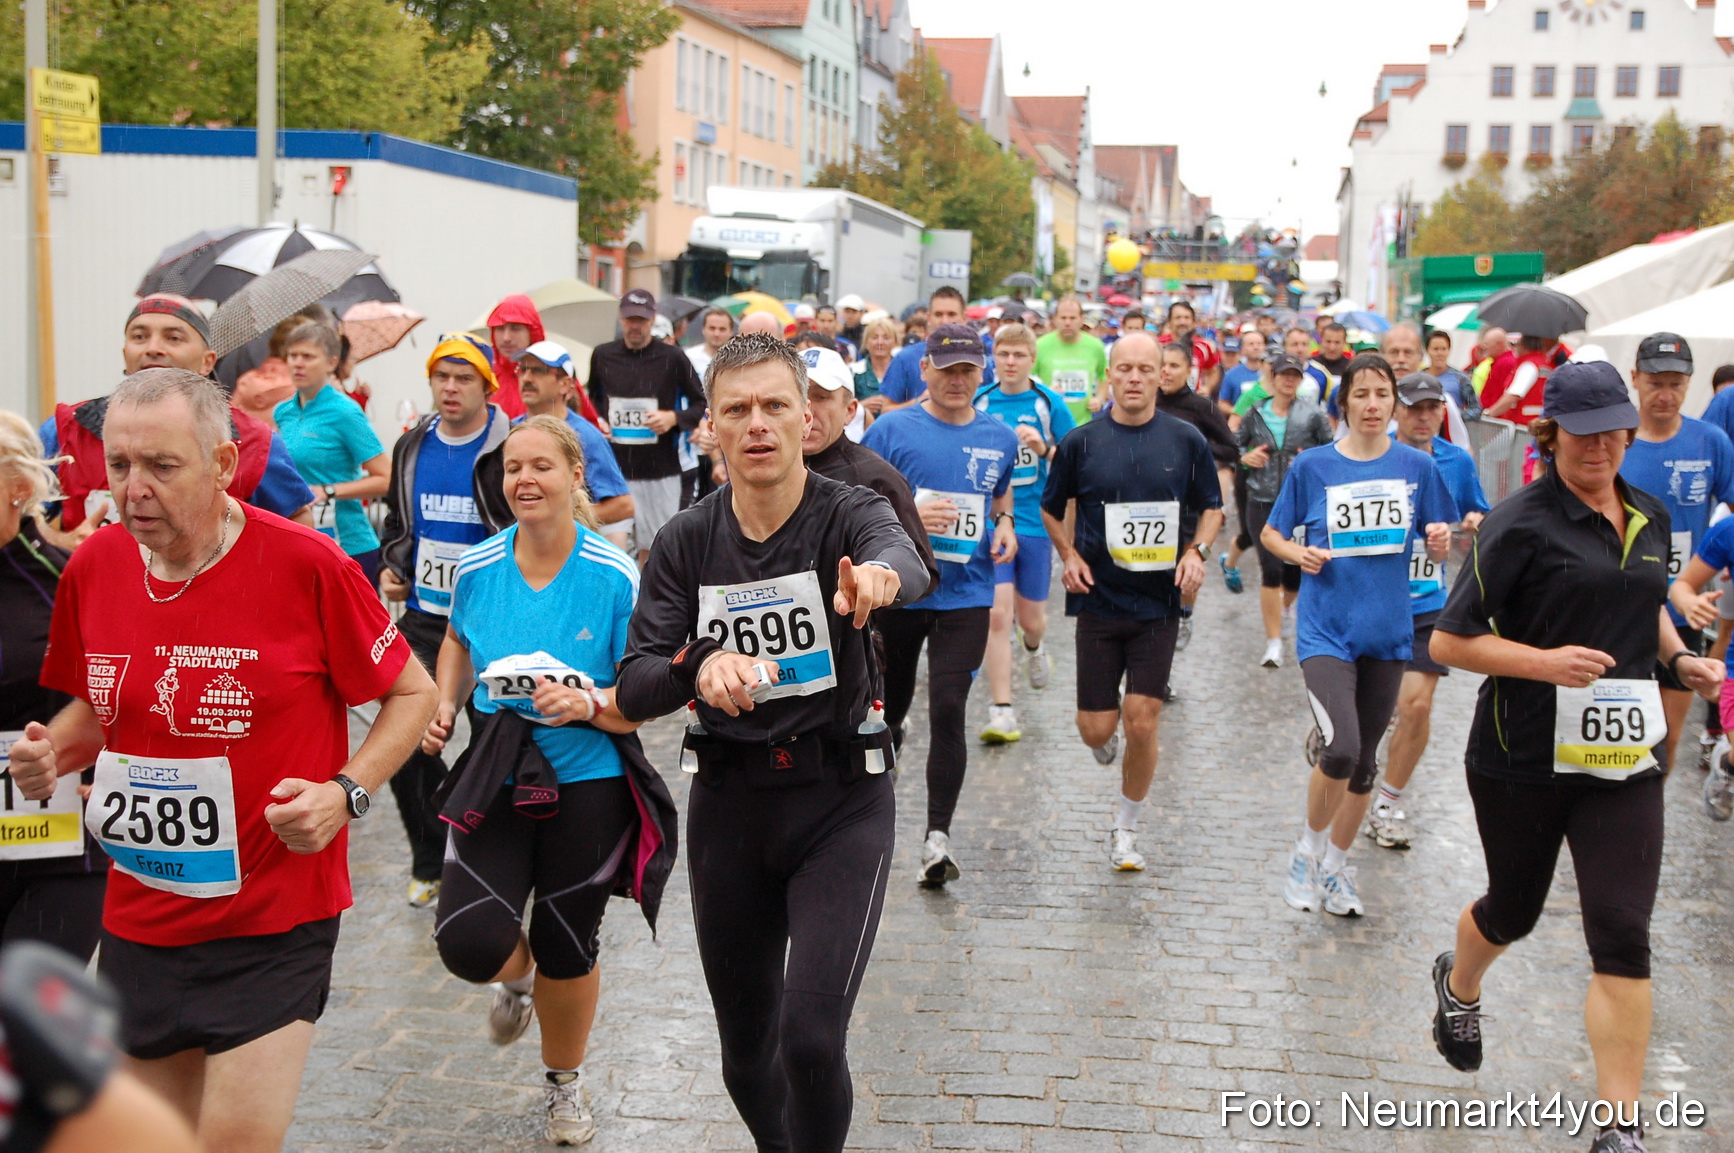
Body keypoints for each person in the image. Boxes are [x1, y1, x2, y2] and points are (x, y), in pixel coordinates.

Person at [11, 368, 435, 1153]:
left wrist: (347, 792)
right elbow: (98, 711)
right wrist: (50, 753)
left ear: (222, 461)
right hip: (141, 913)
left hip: (274, 913)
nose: (135, 489)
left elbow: (412, 693)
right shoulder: (94, 568)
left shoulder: (310, 565)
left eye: (161, 467)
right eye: (119, 466)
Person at [616, 333, 926, 1153]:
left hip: (842, 801)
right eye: (736, 409)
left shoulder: (847, 510)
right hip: (731, 805)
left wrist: (881, 579)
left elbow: (904, 556)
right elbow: (637, 679)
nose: (757, 423)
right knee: (747, 1061)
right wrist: (700, 661)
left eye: (774, 405)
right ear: (709, 429)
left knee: (812, 1039)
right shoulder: (686, 539)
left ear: (806, 416)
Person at [1429, 361, 1722, 1153]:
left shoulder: (1650, 514)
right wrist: (1544, 660)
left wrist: (1677, 661)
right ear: (1551, 431)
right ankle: (1460, 986)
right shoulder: (1519, 522)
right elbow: (1449, 639)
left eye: (1614, 429)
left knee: (1623, 931)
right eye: (1584, 431)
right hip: (1519, 754)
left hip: (1622, 756)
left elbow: (1644, 602)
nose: (1601, 445)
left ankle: (1618, 1126)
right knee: (1514, 910)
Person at [423, 416, 669, 1146]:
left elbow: (640, 699)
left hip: (588, 783)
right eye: (511, 469)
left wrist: (587, 702)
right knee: (467, 940)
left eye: (541, 466)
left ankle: (564, 1084)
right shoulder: (476, 567)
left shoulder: (613, 572)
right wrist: (443, 701)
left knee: (569, 947)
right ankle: (517, 977)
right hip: (494, 774)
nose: (524, 480)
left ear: (574, 477)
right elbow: (455, 643)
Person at [1263, 354, 1455, 918]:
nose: (1373, 405)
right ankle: (1307, 850)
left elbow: (1439, 535)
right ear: (1342, 403)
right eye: (1362, 394)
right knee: (1342, 749)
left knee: (1365, 763)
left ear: (1394, 402)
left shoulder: (1416, 467)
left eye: (1382, 394)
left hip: (1388, 633)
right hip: (1326, 633)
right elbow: (1273, 533)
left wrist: (1441, 541)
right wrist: (1298, 552)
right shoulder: (1314, 467)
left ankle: (1337, 869)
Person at [1042, 333, 1224, 870]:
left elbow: (1211, 508)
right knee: (1096, 729)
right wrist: (1068, 555)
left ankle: (1126, 829)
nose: (1137, 378)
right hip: (1098, 600)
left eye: (1148, 369)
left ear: (1161, 375)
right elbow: (1053, 508)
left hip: (1158, 604)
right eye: (1126, 369)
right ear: (1110, 377)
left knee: (1142, 719)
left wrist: (1198, 552)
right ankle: (1106, 743)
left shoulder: (1186, 439)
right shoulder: (1080, 442)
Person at [862, 325, 1019, 884]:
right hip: (904, 592)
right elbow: (859, 498)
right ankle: (891, 744)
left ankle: (937, 838)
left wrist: (1004, 521)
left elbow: (1000, 491)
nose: (958, 380)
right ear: (924, 368)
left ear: (984, 374)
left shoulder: (999, 436)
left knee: (950, 708)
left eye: (968, 370)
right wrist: (907, 521)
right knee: (894, 704)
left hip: (968, 592)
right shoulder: (890, 429)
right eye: (947, 369)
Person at [379, 334, 514, 907]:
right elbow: (397, 519)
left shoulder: (506, 445)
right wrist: (393, 566)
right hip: (425, 618)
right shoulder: (412, 445)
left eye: (463, 378)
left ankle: (487, 855)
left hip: (492, 624)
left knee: (491, 744)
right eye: (442, 377)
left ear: (486, 386)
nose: (451, 388)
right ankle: (429, 857)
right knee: (407, 744)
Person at [44, 295, 315, 540]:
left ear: (207, 362)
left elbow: (298, 523)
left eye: (173, 338)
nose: (153, 348)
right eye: (139, 337)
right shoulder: (67, 428)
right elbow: (17, 515)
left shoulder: (255, 441)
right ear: (125, 355)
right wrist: (60, 542)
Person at [1368, 374, 1491, 850]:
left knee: (1416, 705)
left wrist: (1477, 521)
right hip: (1371, 599)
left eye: (1432, 408)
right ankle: (1342, 733)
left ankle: (1387, 801)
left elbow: (1476, 509)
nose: (1423, 417)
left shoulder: (1456, 461)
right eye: (1414, 408)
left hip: (1427, 601)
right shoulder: (1373, 453)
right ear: (1397, 411)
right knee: (1372, 707)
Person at [0, 413, 105, 960]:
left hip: (60, 848)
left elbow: (125, 691)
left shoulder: (67, 579)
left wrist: (119, 770)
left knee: (23, 1028)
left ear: (19, 487)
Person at [1617, 333, 1734, 771]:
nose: (1665, 395)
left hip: (1684, 613)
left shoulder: (1711, 442)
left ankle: (1646, 833)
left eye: (1676, 384)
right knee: (1617, 729)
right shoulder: (1615, 440)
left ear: (1690, 384)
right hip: (1619, 606)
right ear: (1635, 379)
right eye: (1655, 383)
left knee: (1665, 734)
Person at [973, 322, 1075, 742]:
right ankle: (1001, 711)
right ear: (993, 358)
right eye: (1003, 354)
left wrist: (1045, 449)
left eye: (1019, 355)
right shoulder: (980, 400)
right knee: (998, 615)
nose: (1010, 362)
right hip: (991, 521)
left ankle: (1034, 646)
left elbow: (1074, 463)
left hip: (1035, 522)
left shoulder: (1049, 403)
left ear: (1033, 360)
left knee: (1031, 620)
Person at [586, 289, 707, 562]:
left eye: (641, 320)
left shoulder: (672, 357)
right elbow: (591, 398)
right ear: (621, 319)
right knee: (610, 551)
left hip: (660, 471)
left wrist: (673, 418)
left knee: (654, 553)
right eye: (630, 319)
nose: (635, 326)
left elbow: (700, 403)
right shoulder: (603, 355)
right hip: (615, 472)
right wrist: (600, 421)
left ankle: (647, 603)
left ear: (653, 320)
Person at [272, 322, 390, 587]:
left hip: (349, 545)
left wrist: (328, 490)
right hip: (302, 541)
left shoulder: (345, 412)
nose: (298, 364)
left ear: (331, 362)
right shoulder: (282, 412)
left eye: (308, 356)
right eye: (293, 356)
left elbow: (386, 478)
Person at [1236, 353, 1334, 667]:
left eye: (1295, 375)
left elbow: (1331, 450)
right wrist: (1246, 457)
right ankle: (1274, 642)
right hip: (1261, 498)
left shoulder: (1312, 415)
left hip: (1299, 504)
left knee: (1294, 574)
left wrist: (1310, 460)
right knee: (1272, 569)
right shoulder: (1255, 412)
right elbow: (1234, 445)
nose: (1289, 381)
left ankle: (1287, 608)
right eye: (1284, 375)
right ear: (1273, 377)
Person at [1153, 341, 1237, 650]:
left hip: (1188, 503)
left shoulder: (1201, 407)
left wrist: (1196, 445)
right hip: (1150, 505)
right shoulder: (1146, 402)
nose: (1166, 371)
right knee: (1154, 586)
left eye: (1174, 365)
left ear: (1190, 371)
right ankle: (1159, 661)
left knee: (1184, 573)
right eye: (1161, 365)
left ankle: (1186, 614)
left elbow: (1230, 448)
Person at [516, 340, 637, 551]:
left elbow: (623, 506)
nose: (526, 378)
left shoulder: (585, 436)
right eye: (522, 370)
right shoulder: (511, 430)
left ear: (565, 384)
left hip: (567, 555)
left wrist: (561, 518)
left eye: (538, 371)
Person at [879, 288, 993, 411]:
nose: (945, 321)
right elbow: (885, 410)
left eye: (951, 314)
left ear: (964, 317)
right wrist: (920, 402)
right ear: (928, 318)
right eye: (938, 314)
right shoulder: (905, 358)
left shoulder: (979, 362)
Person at [1034, 298, 1111, 424]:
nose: (1067, 323)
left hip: (1083, 424)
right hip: (1050, 423)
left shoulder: (1095, 346)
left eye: (1072, 318)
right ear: (1055, 319)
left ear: (1081, 319)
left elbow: (1104, 376)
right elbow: (1028, 380)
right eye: (1063, 318)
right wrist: (1046, 392)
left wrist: (1099, 399)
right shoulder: (1040, 346)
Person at [1158, 300, 1221, 397]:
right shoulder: (1158, 345)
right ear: (1169, 322)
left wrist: (1207, 388)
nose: (1182, 322)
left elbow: (1213, 372)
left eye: (1187, 318)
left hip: (1192, 404)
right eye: (1178, 318)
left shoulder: (1203, 347)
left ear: (1193, 322)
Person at [851, 316, 899, 417]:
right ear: (866, 342)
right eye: (874, 337)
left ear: (894, 342)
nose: (880, 342)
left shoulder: (904, 371)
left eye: (886, 338)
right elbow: (841, 409)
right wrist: (861, 406)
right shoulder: (854, 371)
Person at [1425, 328, 1475, 413]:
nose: (1440, 354)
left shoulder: (1461, 379)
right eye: (1435, 349)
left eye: (1444, 349)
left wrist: (1455, 416)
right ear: (1427, 350)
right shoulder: (1418, 378)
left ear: (1449, 350)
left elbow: (1475, 409)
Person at [687, 307, 736, 379]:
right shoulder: (689, 357)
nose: (716, 334)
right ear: (703, 329)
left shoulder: (737, 361)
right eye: (712, 328)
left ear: (731, 332)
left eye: (722, 329)